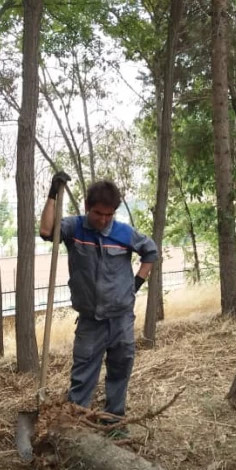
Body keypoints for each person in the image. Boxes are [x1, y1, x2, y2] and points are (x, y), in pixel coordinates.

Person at [39, 173, 158, 436]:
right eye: (98, 214)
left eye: (109, 215)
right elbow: (46, 231)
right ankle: (75, 428)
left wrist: (136, 284)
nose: (103, 220)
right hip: (90, 320)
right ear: (87, 207)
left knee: (120, 369)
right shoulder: (74, 228)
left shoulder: (124, 233)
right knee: (83, 374)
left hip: (121, 318)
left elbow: (151, 252)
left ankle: (114, 423)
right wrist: (53, 193)